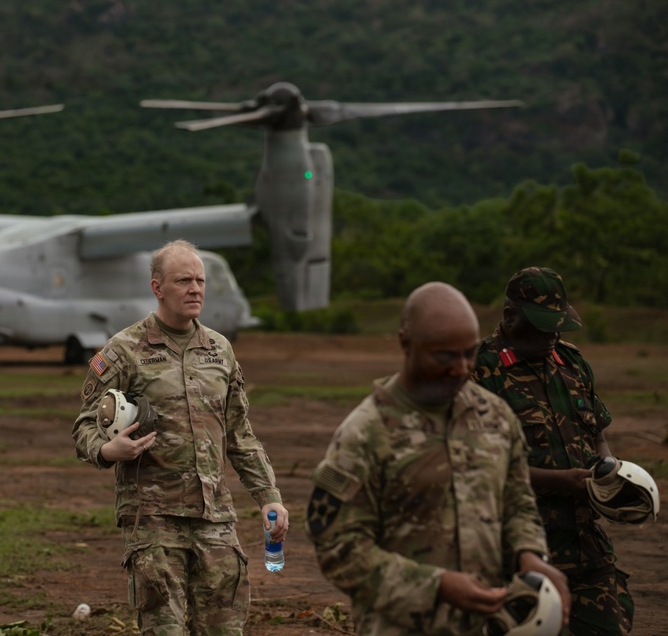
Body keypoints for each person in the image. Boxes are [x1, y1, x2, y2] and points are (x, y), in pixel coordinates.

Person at [306, 281, 570, 635]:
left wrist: (530, 554)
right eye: (444, 356)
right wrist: (436, 585)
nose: (461, 368)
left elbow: (518, 501)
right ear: (406, 343)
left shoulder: (494, 417)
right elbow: (339, 550)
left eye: (468, 354)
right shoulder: (365, 433)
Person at [71, 239, 288, 635]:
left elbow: (240, 435)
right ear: (158, 287)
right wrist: (107, 449)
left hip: (215, 517)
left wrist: (268, 496)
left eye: (200, 281)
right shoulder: (123, 351)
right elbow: (84, 424)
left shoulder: (219, 350)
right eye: (183, 280)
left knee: (225, 628)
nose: (195, 289)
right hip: (153, 518)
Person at [472, 266, 634, 635]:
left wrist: (608, 471)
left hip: (583, 544)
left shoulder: (572, 363)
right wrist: (563, 481)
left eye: (558, 325)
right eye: (542, 326)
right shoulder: (479, 371)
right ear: (510, 317)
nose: (553, 335)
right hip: (513, 548)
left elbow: (597, 434)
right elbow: (477, 467)